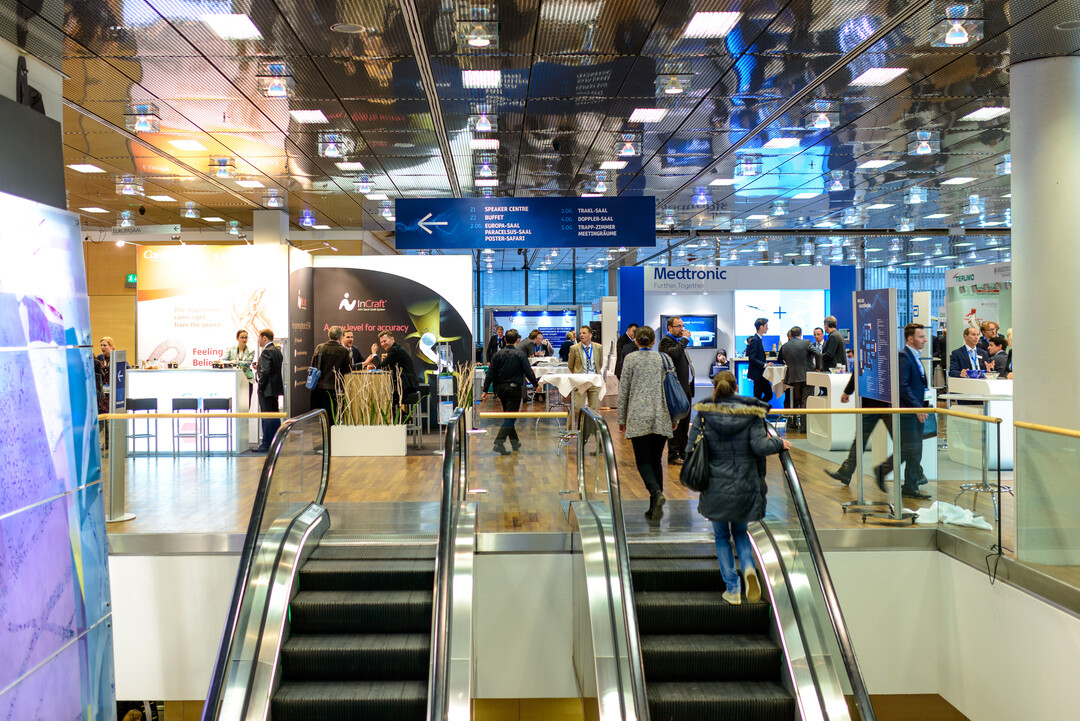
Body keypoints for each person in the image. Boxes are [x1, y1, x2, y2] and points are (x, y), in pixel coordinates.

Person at [690, 370, 789, 605]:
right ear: (736, 388)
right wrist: (779, 443)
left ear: (715, 388)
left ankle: (732, 589)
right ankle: (748, 569)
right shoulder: (752, 414)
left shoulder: (704, 415)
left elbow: (690, 448)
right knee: (741, 533)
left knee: (722, 537)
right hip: (745, 484)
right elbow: (759, 445)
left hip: (714, 485)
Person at [617, 326, 674, 520]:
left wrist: (621, 419)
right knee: (656, 461)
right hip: (661, 415)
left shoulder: (630, 359)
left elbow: (624, 390)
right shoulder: (664, 359)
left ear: (637, 341)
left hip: (638, 415)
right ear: (653, 342)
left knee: (642, 461)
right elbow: (671, 390)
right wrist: (674, 418)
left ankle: (656, 493)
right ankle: (654, 507)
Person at [875, 323, 932, 500]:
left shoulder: (915, 356)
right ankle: (883, 470)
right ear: (910, 338)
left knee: (915, 449)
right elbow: (902, 386)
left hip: (917, 410)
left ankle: (910, 486)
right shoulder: (904, 357)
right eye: (921, 337)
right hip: (908, 412)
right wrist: (916, 406)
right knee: (910, 448)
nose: (925, 339)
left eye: (924, 336)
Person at [481, 329, 538, 454]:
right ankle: (499, 442)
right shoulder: (520, 355)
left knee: (509, 415)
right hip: (514, 389)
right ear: (517, 340)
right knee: (511, 417)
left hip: (500, 389)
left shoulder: (497, 355)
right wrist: (536, 385)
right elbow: (528, 372)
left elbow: (490, 373)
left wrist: (485, 390)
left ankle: (515, 442)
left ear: (505, 340)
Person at [659, 316, 694, 465]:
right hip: (675, 389)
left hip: (685, 388)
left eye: (682, 326)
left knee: (685, 423)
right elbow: (674, 354)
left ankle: (684, 452)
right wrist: (685, 340)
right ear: (669, 328)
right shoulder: (666, 341)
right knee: (676, 422)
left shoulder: (678, 342)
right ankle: (673, 454)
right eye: (678, 326)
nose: (682, 329)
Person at [363, 330, 421, 408]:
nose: (383, 344)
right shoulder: (395, 349)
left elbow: (381, 366)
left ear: (392, 339)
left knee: (384, 398)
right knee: (384, 396)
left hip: (407, 385)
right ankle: (402, 416)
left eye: (385, 341)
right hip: (405, 383)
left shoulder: (395, 350)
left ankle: (402, 417)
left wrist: (374, 353)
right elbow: (386, 367)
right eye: (381, 342)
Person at [778, 326, 819, 433]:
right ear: (800, 334)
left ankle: (801, 425)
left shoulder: (785, 346)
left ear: (791, 334)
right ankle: (805, 428)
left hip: (794, 377)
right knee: (806, 401)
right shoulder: (806, 343)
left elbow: (784, 360)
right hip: (807, 376)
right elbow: (818, 354)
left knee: (799, 401)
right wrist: (818, 367)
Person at [310, 326, 352, 426]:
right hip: (334, 389)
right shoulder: (343, 351)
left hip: (318, 388)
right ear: (340, 337)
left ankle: (321, 438)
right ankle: (331, 439)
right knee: (332, 418)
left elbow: (313, 366)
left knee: (318, 419)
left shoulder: (320, 347)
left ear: (329, 335)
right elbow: (348, 370)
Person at [567, 325, 601, 441]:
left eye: (584, 333)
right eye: (580, 333)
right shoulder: (574, 348)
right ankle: (568, 430)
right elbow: (571, 366)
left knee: (593, 410)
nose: (581, 335)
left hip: (594, 381)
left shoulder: (598, 347)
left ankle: (591, 436)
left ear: (590, 335)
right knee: (577, 407)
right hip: (581, 381)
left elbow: (599, 364)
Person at [254, 329, 284, 453]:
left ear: (265, 338)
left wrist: (260, 385)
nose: (258, 340)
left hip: (267, 390)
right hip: (275, 389)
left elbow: (265, 372)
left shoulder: (266, 352)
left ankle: (266, 444)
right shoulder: (277, 351)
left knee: (266, 416)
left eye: (259, 337)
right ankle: (276, 442)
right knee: (275, 415)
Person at [745, 317, 771, 404]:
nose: (767, 328)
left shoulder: (758, 339)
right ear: (761, 327)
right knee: (760, 396)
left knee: (765, 395)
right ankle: (756, 413)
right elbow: (752, 358)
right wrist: (764, 365)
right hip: (758, 374)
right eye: (766, 326)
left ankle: (758, 412)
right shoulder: (755, 340)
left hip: (761, 374)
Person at [223, 330, 256, 396]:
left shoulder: (251, 350)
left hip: (247, 378)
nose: (244, 340)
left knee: (247, 401)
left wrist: (235, 362)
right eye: (242, 337)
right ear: (237, 338)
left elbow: (248, 363)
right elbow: (224, 361)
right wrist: (230, 362)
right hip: (233, 378)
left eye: (246, 337)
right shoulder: (230, 349)